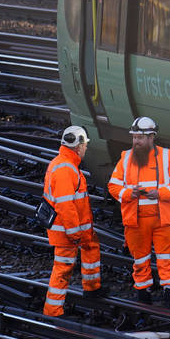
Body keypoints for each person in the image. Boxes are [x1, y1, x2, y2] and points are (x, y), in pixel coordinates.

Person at [107, 116, 170, 308]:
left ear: (152, 138)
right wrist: (128, 193)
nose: (136, 142)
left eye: (140, 138)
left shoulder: (167, 157)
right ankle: (144, 299)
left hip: (163, 220)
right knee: (140, 261)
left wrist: (160, 193)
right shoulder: (125, 158)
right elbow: (113, 186)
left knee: (165, 260)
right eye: (134, 138)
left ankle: (169, 299)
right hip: (136, 221)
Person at [42, 125, 102, 316]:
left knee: (91, 246)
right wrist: (75, 232)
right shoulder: (65, 170)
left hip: (77, 228)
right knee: (63, 268)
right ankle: (53, 311)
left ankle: (92, 288)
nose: (86, 149)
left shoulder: (66, 164)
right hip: (67, 231)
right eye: (85, 146)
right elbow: (66, 207)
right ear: (78, 146)